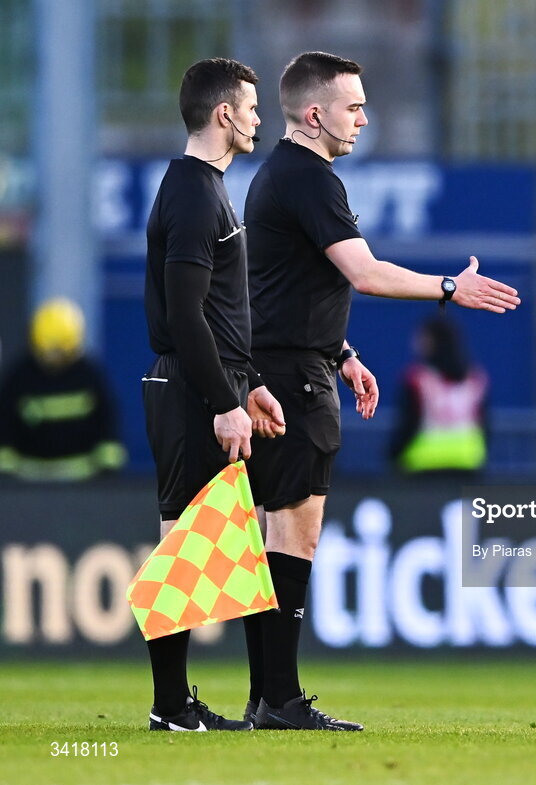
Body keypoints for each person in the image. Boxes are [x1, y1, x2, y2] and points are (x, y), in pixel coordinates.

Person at [243, 51, 519, 731]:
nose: (364, 117)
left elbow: (284, 287)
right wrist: (449, 287)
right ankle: (279, 701)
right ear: (316, 114)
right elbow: (363, 274)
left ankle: (268, 697)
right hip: (292, 383)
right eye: (354, 105)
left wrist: (340, 351)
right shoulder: (309, 178)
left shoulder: (283, 175)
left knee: (274, 537)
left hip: (291, 367)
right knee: (291, 540)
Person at [141, 57, 285, 733]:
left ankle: (175, 705)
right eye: (251, 107)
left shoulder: (200, 188)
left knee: (206, 544)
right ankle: (170, 709)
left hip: (207, 385)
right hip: (192, 389)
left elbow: (215, 314)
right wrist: (224, 400)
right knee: (182, 545)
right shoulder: (197, 195)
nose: (259, 118)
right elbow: (187, 311)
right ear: (223, 114)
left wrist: (247, 385)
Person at [0, 298, 126, 481]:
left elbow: (107, 423)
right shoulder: (19, 377)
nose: (52, 360)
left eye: (59, 352)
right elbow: (4, 424)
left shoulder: (89, 377)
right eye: (45, 352)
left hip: (82, 482)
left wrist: (108, 470)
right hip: (28, 484)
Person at [390, 315, 489, 477]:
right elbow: (485, 423)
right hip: (468, 462)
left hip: (423, 464)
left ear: (432, 341)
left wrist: (393, 455)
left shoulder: (417, 379)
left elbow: (408, 423)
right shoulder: (475, 378)